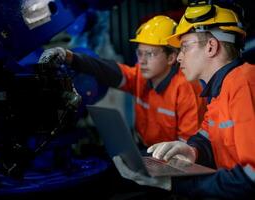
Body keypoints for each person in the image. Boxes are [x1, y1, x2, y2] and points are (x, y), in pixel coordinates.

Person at [112, 2, 255, 199]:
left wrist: (175, 184)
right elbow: (209, 135)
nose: (179, 58)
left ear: (211, 47)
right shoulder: (219, 90)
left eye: (185, 47)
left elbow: (251, 178)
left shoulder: (243, 84)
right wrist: (191, 150)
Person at [39, 15, 206, 147]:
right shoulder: (142, 76)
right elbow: (109, 70)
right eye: (140, 53)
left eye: (151, 54)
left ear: (171, 57)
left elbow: (188, 150)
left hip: (176, 167)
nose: (142, 61)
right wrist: (69, 57)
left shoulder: (186, 90)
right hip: (147, 154)